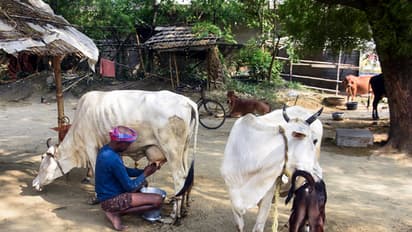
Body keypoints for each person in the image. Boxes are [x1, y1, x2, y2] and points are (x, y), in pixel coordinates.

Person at [95, 126, 162, 231]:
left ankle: (118, 209)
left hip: (106, 196)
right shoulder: (112, 158)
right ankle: (115, 212)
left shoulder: (107, 150)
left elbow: (123, 170)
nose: (129, 146)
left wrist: (142, 171)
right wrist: (145, 173)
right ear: (119, 143)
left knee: (142, 183)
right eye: (128, 144)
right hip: (111, 200)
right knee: (157, 200)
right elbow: (130, 187)